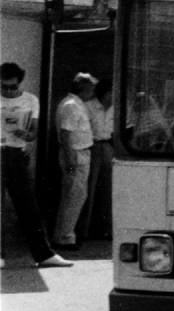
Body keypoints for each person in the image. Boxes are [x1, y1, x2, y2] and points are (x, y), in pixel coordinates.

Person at [0, 62, 71, 267]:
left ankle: (44, 254)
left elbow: (33, 132)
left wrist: (26, 134)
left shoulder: (31, 100)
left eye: (12, 87)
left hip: (16, 153)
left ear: (19, 83)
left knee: (28, 205)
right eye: (3, 86)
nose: (7, 91)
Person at [53, 72, 97, 250]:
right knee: (74, 195)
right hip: (75, 155)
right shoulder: (71, 106)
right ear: (84, 88)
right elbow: (66, 133)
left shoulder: (76, 104)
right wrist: (71, 158)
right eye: (91, 87)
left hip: (80, 153)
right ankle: (64, 236)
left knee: (75, 195)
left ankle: (65, 234)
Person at [79, 77, 114, 241]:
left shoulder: (117, 107)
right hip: (91, 146)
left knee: (108, 189)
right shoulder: (88, 107)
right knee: (89, 189)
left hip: (108, 146)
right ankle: (84, 230)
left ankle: (106, 229)